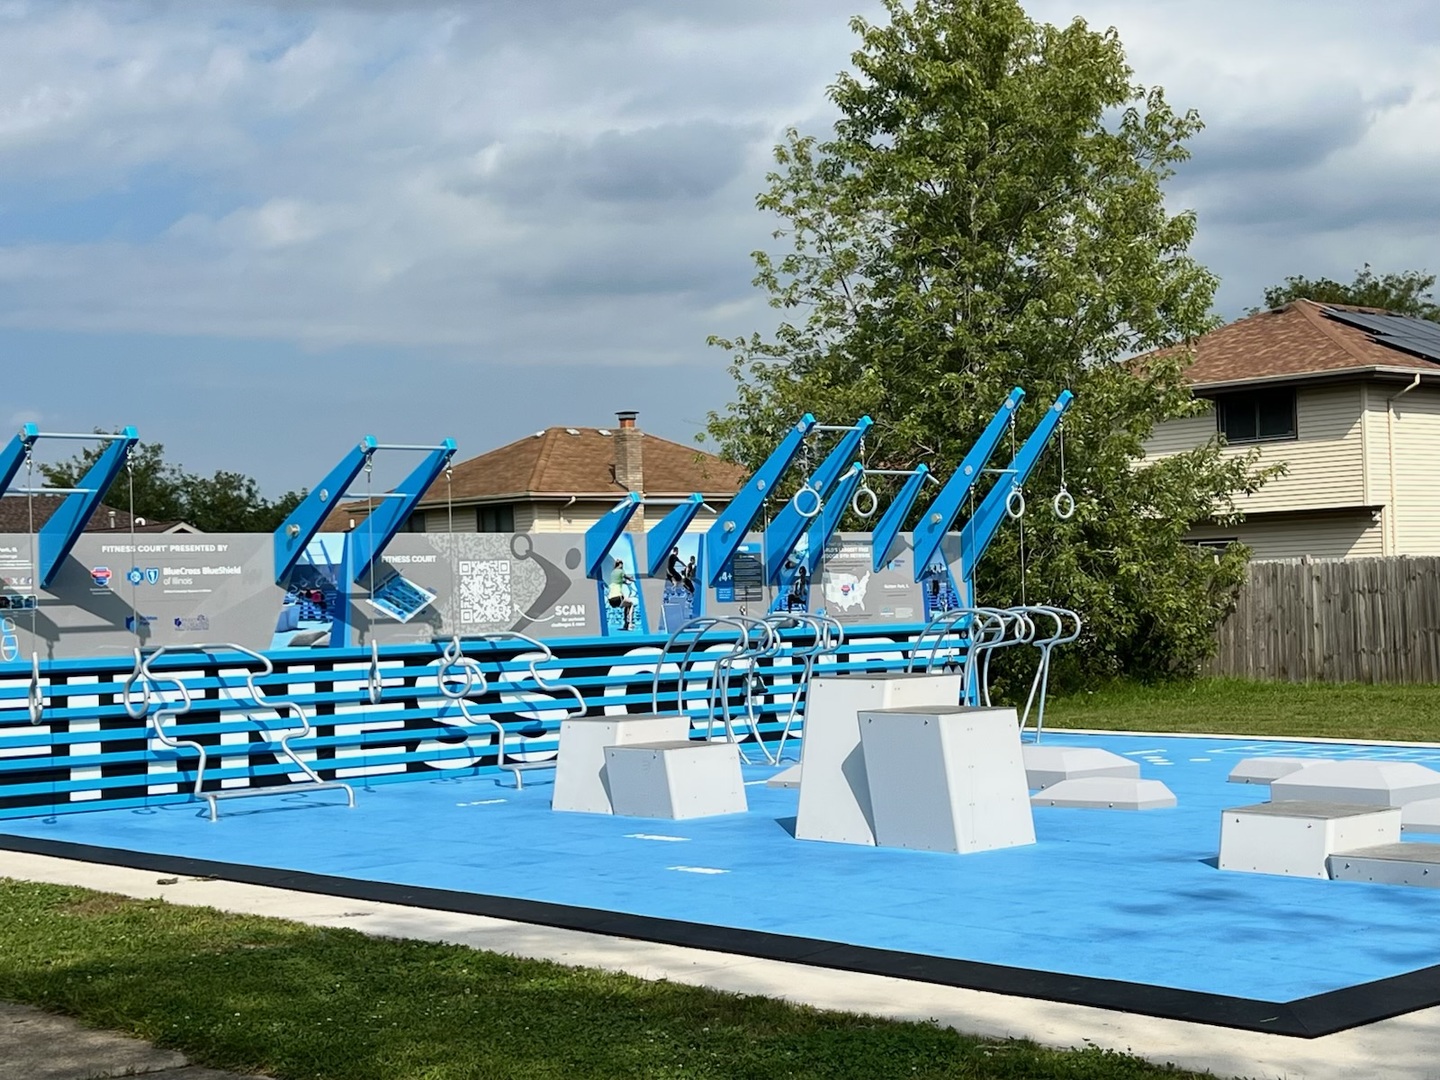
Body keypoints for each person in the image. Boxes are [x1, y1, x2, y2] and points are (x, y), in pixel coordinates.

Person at [607, 558, 636, 630]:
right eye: (622, 565)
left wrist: (625, 582)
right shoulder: (621, 571)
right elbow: (626, 577)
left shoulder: (612, 573)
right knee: (631, 604)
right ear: (620, 564)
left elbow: (618, 581)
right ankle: (630, 624)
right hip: (617, 598)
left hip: (610, 600)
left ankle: (625, 624)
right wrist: (632, 579)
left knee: (626, 605)